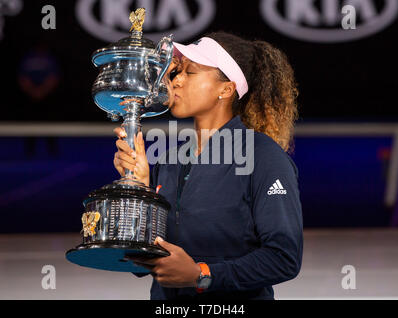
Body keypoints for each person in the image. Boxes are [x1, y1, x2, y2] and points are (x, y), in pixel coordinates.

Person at [113, 31, 303, 300]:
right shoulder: (169, 160)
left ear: (226, 89)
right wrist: (140, 190)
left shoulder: (264, 157)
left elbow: (284, 257)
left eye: (189, 73)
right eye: (176, 72)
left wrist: (201, 274)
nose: (175, 81)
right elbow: (140, 265)